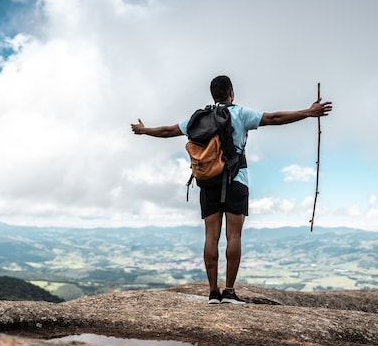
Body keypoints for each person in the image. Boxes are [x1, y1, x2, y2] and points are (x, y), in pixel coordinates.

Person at [130, 75, 332, 304]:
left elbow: (168, 131)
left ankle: (212, 293)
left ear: (213, 95)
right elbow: (274, 118)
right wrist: (308, 112)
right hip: (236, 180)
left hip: (208, 183)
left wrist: (144, 130)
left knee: (210, 237)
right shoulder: (241, 114)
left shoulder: (198, 118)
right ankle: (228, 292)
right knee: (233, 236)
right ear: (231, 93)